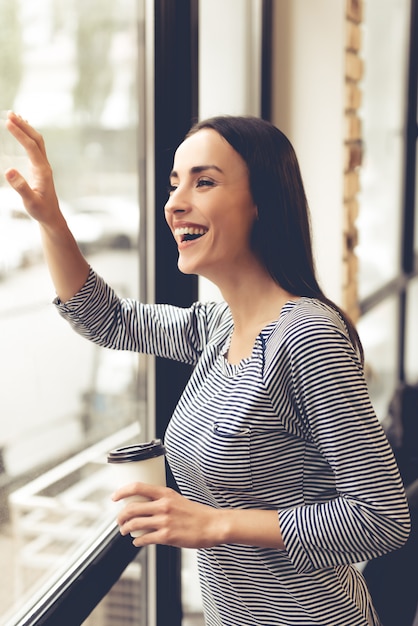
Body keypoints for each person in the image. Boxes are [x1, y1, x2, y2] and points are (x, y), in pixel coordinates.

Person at [4, 111, 411, 626]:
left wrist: (213, 524)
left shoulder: (306, 336)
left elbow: (381, 519)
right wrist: (50, 219)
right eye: (175, 184)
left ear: (262, 202)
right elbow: (107, 320)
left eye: (205, 181)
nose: (175, 203)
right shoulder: (218, 323)